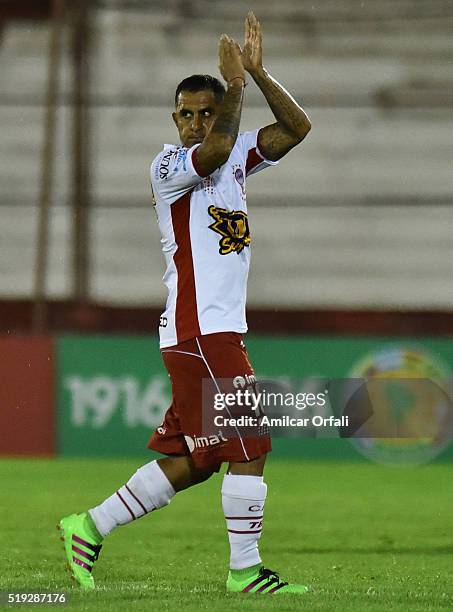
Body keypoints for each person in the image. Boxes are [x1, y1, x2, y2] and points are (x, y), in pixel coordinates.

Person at [58, 12, 311, 595]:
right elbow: (218, 149)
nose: (196, 122)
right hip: (202, 333)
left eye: (206, 110)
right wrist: (236, 93)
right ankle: (245, 573)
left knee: (198, 460)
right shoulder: (171, 167)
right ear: (175, 119)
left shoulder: (235, 164)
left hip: (208, 333)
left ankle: (87, 526)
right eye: (187, 113)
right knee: (253, 443)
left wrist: (258, 73)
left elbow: (296, 128)